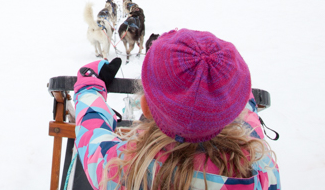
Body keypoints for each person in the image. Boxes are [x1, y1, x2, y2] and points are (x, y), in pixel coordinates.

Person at [74, 29, 280, 190]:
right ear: (233, 112)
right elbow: (251, 128)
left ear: (145, 106)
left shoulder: (123, 171)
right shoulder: (261, 173)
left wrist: (89, 85)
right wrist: (235, 93)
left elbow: (92, 135)